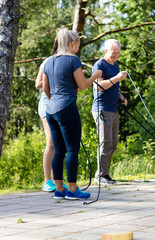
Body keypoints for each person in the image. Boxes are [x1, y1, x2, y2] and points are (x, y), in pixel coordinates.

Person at [42, 28, 102, 200]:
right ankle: (73, 189)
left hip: (51, 110)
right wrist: (95, 76)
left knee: (59, 149)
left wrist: (55, 100)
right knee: (72, 149)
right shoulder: (73, 60)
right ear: (73, 44)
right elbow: (83, 85)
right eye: (78, 44)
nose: (78, 48)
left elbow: (46, 89)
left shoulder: (48, 61)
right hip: (67, 108)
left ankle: (59, 189)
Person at [92, 39, 127, 185]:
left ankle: (105, 174)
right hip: (102, 108)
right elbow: (98, 86)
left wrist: (121, 96)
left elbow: (114, 85)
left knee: (113, 143)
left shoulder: (116, 65)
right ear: (106, 51)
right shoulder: (100, 65)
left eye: (118, 53)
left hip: (113, 108)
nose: (116, 56)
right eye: (113, 53)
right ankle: (100, 175)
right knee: (105, 142)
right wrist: (117, 78)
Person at [35, 39, 57, 192]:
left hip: (60, 105)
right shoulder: (48, 61)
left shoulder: (70, 61)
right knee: (51, 142)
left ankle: (57, 180)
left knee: (59, 144)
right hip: (46, 104)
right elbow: (38, 84)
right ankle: (47, 181)